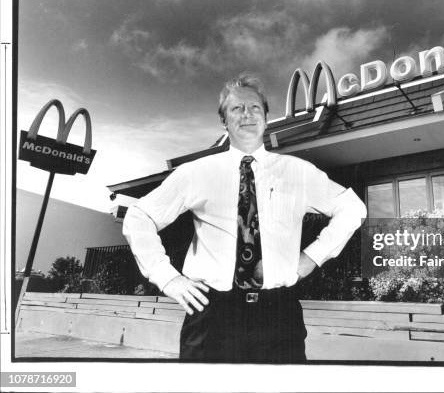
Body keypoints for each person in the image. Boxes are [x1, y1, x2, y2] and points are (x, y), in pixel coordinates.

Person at [122, 73, 366, 363]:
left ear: (265, 117)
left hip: (279, 316)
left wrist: (312, 258)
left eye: (254, 108)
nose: (247, 114)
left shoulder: (299, 172)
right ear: (224, 121)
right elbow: (139, 216)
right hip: (212, 317)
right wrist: (169, 278)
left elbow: (352, 208)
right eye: (237, 108)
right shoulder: (196, 172)